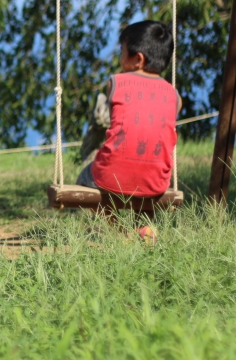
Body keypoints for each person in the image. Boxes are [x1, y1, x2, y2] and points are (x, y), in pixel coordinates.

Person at [76, 20, 181, 240]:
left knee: (84, 179)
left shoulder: (115, 82)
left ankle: (117, 231)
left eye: (122, 51)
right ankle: (144, 227)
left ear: (138, 59)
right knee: (145, 179)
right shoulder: (174, 96)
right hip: (157, 182)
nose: (119, 57)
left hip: (110, 176)